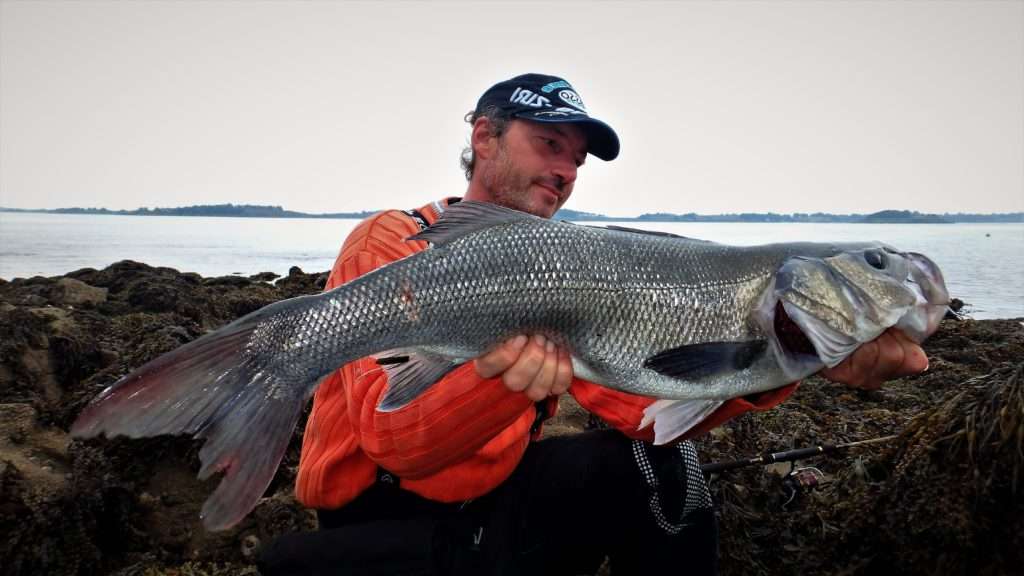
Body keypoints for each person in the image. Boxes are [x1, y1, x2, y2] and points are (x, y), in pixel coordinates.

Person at [257, 73, 929, 576]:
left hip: (490, 512)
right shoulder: (392, 241)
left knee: (663, 466)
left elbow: (645, 413)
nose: (565, 170)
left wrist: (791, 362)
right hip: (381, 527)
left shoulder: (566, 263)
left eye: (577, 159)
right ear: (483, 137)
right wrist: (504, 383)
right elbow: (393, 439)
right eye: (549, 144)